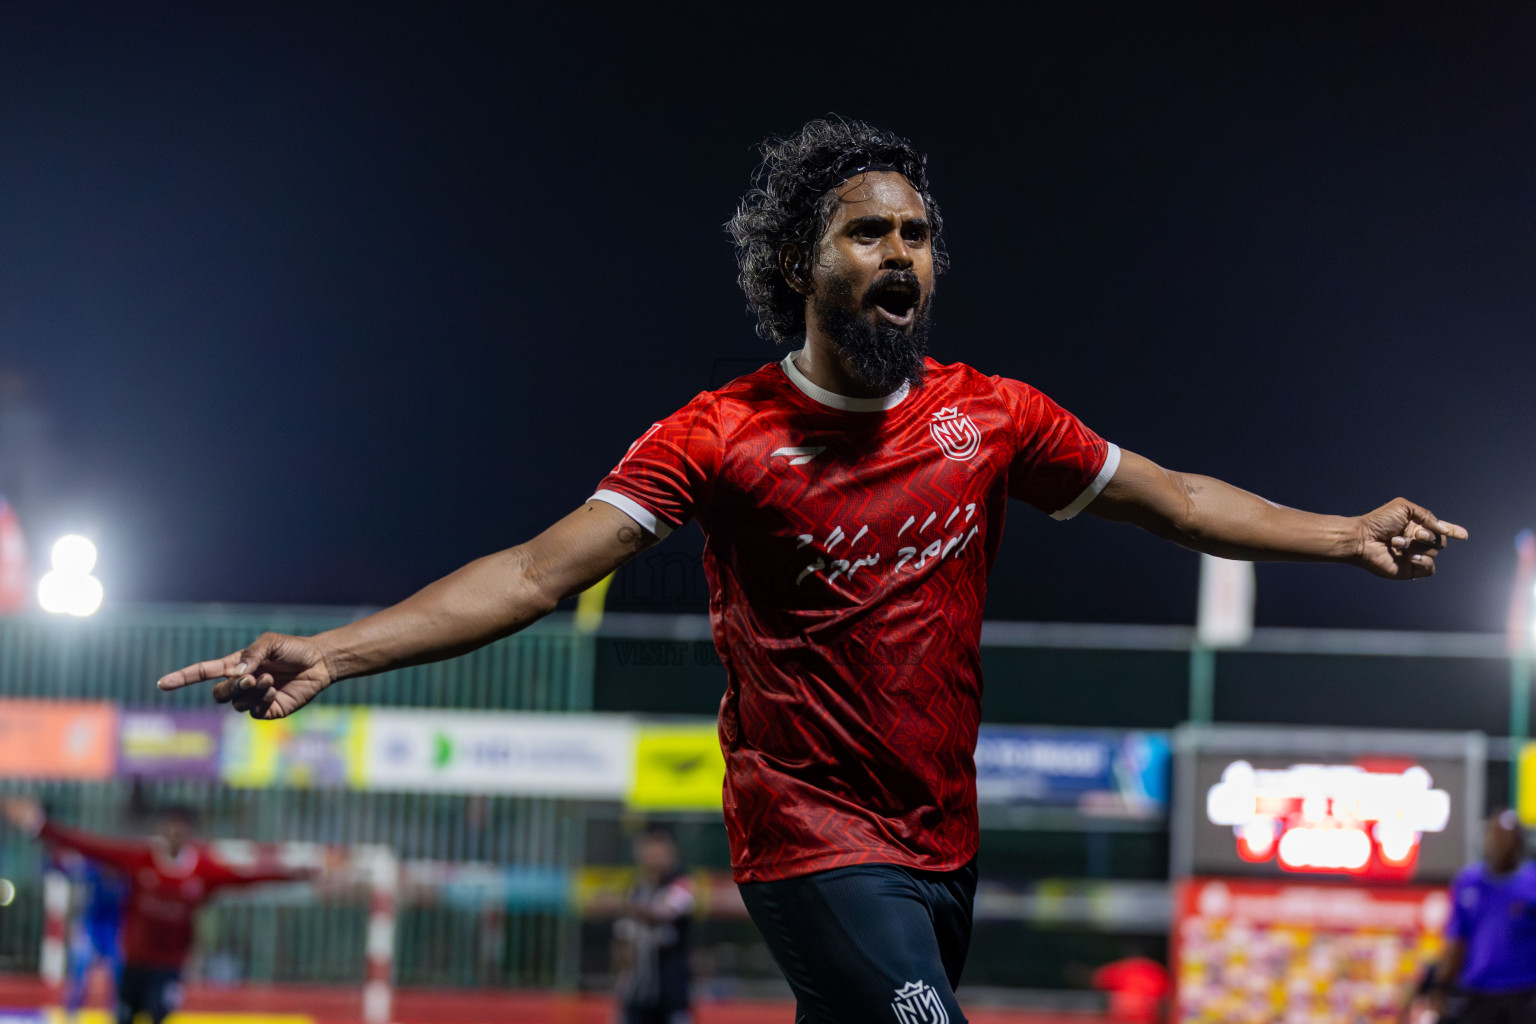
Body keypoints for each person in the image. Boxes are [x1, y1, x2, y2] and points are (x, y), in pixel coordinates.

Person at [156, 117, 1466, 1023]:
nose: (901, 254)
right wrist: (330, 653)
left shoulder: (992, 417)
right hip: (806, 843)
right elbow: (537, 575)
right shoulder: (717, 437)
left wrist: (1344, 534)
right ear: (801, 267)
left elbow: (1174, 501)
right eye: (867, 233)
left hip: (943, 844)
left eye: (917, 234)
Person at [2, 798, 311, 1024]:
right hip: (134, 961)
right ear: (161, 830)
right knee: (118, 1011)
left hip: (169, 966)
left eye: (181, 828)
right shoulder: (140, 860)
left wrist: (309, 872)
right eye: (169, 827)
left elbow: (250, 878)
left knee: (158, 1014)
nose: (174, 833)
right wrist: (38, 825)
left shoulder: (203, 870)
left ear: (190, 832)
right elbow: (89, 846)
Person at [1424, 811, 1536, 1024]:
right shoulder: (1469, 883)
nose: (1500, 844)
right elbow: (1456, 940)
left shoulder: (1532, 882)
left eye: (1507, 837)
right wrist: (1440, 987)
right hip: (1479, 992)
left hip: (1526, 994)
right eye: (1496, 836)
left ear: (1519, 843)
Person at [612, 826, 695, 1024]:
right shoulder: (636, 887)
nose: (652, 858)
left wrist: (624, 905)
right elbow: (623, 941)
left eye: (658, 852)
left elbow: (666, 912)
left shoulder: (682, 883)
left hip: (671, 993)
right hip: (636, 993)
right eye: (647, 851)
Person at [55, 848, 128, 1022]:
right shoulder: (94, 872)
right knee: (80, 974)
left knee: (118, 979)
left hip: (114, 932)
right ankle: (71, 1015)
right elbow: (66, 868)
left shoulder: (127, 879)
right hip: (91, 928)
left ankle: (117, 1015)